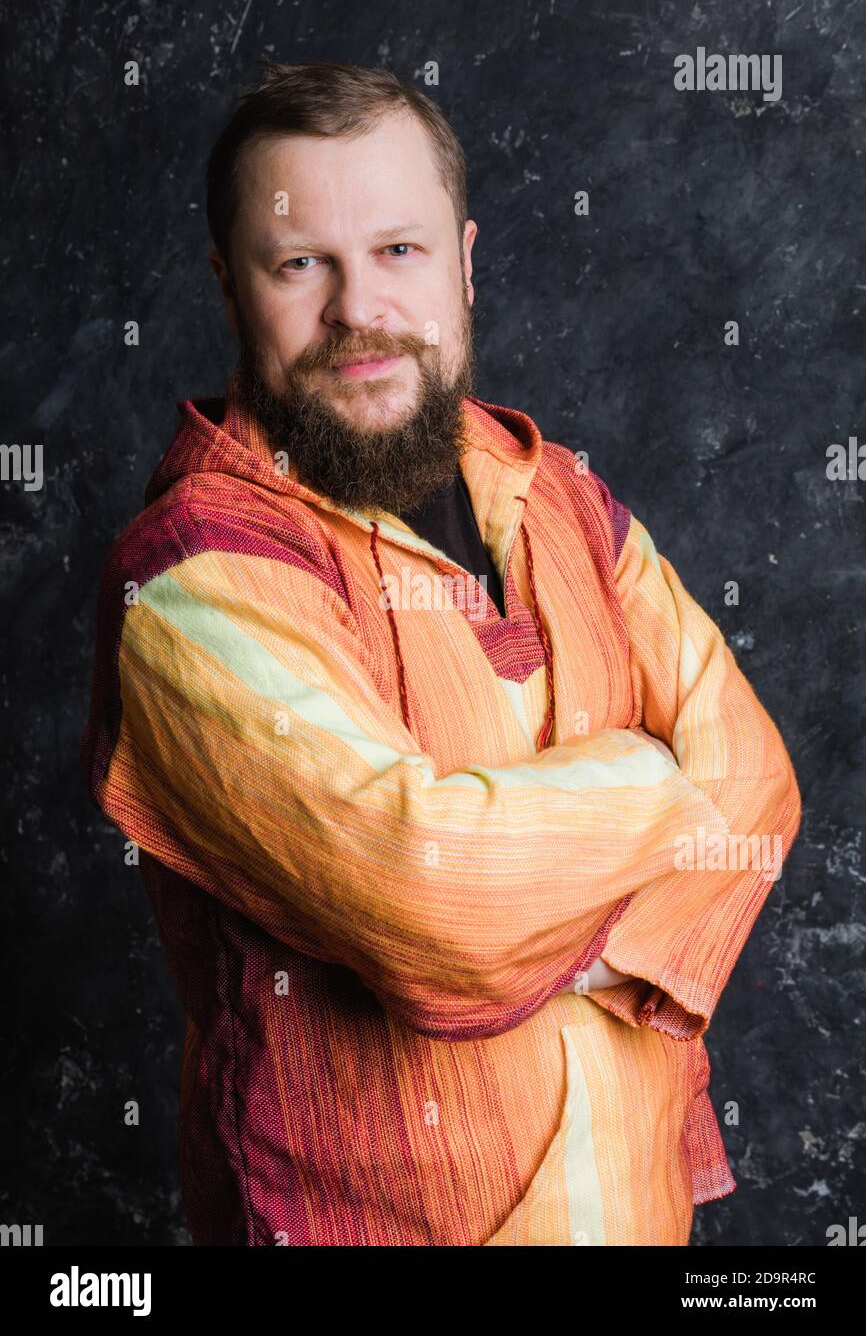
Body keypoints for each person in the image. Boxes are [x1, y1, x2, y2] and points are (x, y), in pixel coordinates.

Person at [80, 60, 802, 1246]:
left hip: (635, 1211)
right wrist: (654, 783)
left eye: (398, 252)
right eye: (300, 261)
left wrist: (552, 905)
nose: (357, 308)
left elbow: (757, 783)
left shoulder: (559, 493)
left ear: (463, 260)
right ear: (228, 286)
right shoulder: (193, 575)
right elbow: (429, 888)